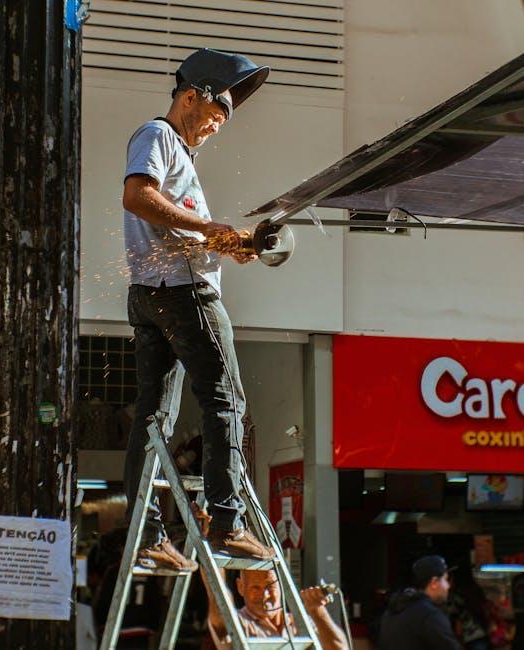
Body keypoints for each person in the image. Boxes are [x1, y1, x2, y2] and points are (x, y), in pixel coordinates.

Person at [122, 48, 273, 572]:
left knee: (155, 416)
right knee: (225, 399)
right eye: (213, 115)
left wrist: (228, 244)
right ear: (190, 96)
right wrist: (209, 231)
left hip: (152, 292)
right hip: (184, 294)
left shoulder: (181, 156)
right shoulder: (158, 135)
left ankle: (146, 537)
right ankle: (228, 523)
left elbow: (176, 226)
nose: (214, 127)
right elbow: (139, 197)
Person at [202, 567, 348, 650]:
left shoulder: (300, 623)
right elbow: (219, 605)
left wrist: (317, 611)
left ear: (282, 586)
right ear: (241, 587)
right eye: (255, 587)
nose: (265, 595)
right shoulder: (239, 623)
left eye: (270, 585)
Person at [379, 555, 462, 650]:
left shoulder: (390, 612)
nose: (448, 586)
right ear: (434, 582)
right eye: (445, 579)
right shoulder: (430, 615)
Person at [447, 564, 491, 650]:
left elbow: (458, 625)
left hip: (469, 638)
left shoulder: (456, 597)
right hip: (483, 635)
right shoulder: (476, 591)